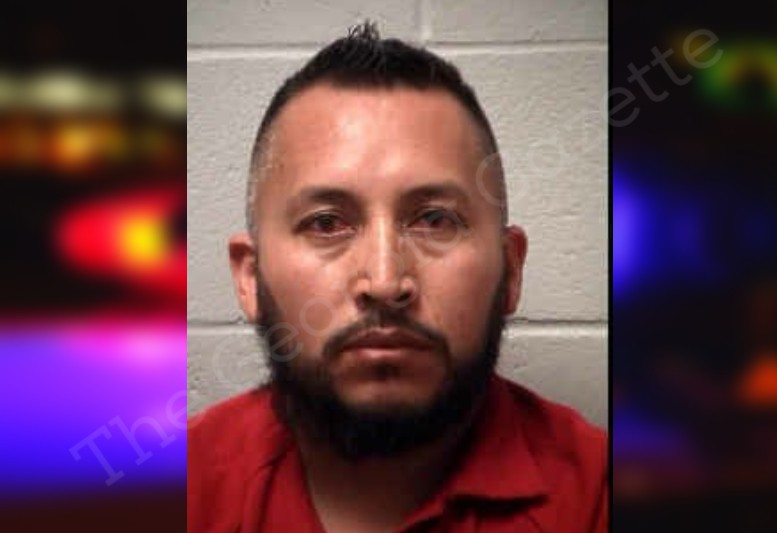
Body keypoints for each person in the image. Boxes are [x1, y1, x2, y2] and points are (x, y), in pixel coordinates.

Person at [188, 22, 607, 533]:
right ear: (250, 278)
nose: (385, 283)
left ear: (511, 269)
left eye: (435, 220)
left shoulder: (600, 496)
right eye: (326, 223)